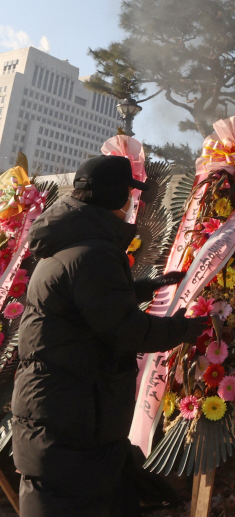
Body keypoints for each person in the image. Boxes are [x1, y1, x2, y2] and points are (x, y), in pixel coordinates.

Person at [11, 155, 207, 517]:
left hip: (57, 416)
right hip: (74, 424)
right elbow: (126, 330)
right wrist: (186, 327)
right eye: (131, 195)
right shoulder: (95, 253)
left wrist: (143, 288)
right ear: (119, 198)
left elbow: (86, 304)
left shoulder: (69, 243)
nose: (132, 204)